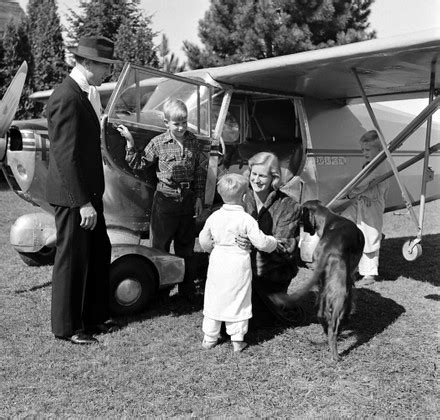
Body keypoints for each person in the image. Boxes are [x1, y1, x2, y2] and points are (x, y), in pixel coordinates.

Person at [46, 37, 119, 345]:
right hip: (75, 197)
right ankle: (68, 327)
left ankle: (92, 316)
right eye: (105, 66)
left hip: (89, 194)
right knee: (73, 258)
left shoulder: (85, 94)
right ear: (88, 63)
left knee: (98, 253)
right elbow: (65, 156)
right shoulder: (67, 97)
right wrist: (82, 204)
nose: (108, 72)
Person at [118, 98, 205, 297]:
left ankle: (187, 290)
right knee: (159, 248)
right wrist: (130, 142)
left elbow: (200, 171)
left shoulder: (194, 142)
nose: (181, 127)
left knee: (186, 248)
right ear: (167, 123)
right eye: (177, 123)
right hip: (165, 200)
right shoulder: (157, 143)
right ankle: (159, 292)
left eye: (184, 122)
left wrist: (199, 197)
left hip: (188, 200)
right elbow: (139, 163)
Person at [198, 174, 280, 352]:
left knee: (214, 297)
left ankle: (209, 337)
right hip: (238, 263)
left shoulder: (214, 217)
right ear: (244, 197)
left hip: (218, 260)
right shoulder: (246, 219)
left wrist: (211, 249)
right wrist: (273, 242)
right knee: (238, 298)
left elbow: (204, 239)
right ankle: (237, 339)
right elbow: (261, 242)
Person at [237, 152, 302, 327]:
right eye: (254, 174)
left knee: (255, 321)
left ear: (273, 178)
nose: (256, 180)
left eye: (262, 176)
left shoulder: (290, 205)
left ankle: (277, 302)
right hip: (243, 269)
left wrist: (252, 244)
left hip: (272, 273)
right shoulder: (241, 198)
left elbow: (286, 248)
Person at [340, 130, 390, 286]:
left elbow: (363, 182)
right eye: (363, 150)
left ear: (379, 149)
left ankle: (369, 273)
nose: (364, 153)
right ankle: (353, 268)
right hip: (362, 201)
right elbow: (363, 182)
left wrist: (352, 189)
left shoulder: (381, 164)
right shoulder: (370, 164)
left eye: (367, 150)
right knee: (355, 230)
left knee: (370, 235)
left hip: (373, 205)